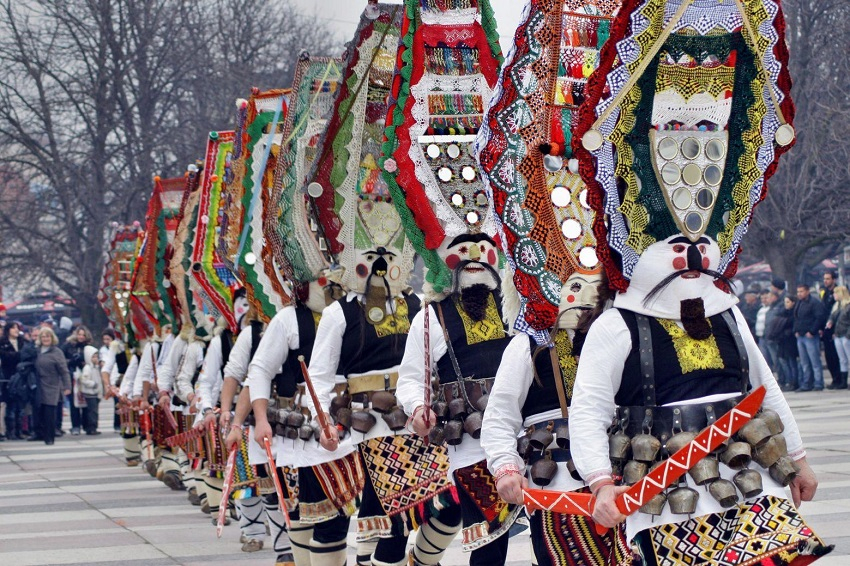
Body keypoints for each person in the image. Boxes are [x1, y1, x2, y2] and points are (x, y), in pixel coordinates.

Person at [34, 327, 71, 445]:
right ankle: (40, 434)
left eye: (48, 336)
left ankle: (50, 438)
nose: (45, 339)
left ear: (52, 338)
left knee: (50, 413)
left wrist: (67, 386)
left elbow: (64, 371)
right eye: (43, 336)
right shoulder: (36, 351)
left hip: (52, 385)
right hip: (39, 385)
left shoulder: (57, 352)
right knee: (40, 412)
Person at [794, 284, 826, 391]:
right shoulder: (799, 303)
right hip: (801, 335)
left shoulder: (814, 303)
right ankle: (807, 383)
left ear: (807, 291)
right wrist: (796, 330)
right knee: (804, 362)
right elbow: (797, 318)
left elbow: (819, 318)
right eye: (798, 292)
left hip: (810, 336)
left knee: (815, 361)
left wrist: (812, 331)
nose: (799, 294)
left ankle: (818, 383)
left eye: (801, 291)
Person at [62, 325, 92, 434]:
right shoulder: (68, 345)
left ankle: (86, 425)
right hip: (72, 376)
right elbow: (61, 359)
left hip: (85, 376)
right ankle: (75, 426)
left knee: (85, 402)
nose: (81, 337)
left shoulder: (88, 347)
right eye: (79, 334)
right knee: (73, 403)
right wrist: (71, 361)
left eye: (83, 335)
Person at [768, 295, 800, 391]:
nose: (786, 304)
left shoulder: (793, 313)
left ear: (793, 303)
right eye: (785, 302)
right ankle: (789, 381)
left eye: (788, 302)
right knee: (784, 362)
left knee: (792, 362)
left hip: (790, 341)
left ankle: (794, 382)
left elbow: (792, 325)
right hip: (783, 341)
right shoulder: (783, 312)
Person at [0, 322, 25, 440]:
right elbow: (5, 357)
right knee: (10, 406)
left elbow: (25, 355)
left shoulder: (22, 342)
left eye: (17, 328)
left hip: (21, 377)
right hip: (8, 377)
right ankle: (11, 431)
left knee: (20, 406)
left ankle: (19, 430)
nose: (16, 330)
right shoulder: (3, 343)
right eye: (13, 328)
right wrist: (17, 355)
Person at [820, 271, 842, 388]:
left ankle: (839, 379)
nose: (826, 281)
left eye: (828, 279)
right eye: (825, 279)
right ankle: (834, 378)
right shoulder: (824, 292)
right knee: (829, 356)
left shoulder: (838, 291)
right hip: (826, 328)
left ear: (833, 279)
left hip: (835, 328)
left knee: (836, 356)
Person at [825, 285, 850, 389]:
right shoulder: (837, 306)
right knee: (842, 359)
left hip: (846, 335)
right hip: (838, 334)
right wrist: (830, 321)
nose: (834, 295)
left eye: (836, 293)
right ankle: (843, 381)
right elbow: (833, 317)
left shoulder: (848, 306)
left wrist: (848, 335)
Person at [77, 345, 103, 435]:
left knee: (94, 411)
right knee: (92, 411)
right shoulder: (88, 368)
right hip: (90, 393)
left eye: (96, 356)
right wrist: (93, 384)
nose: (95, 359)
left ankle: (93, 426)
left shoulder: (95, 367)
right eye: (93, 357)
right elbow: (84, 379)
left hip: (95, 392)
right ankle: (91, 427)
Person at [756, 290, 781, 372]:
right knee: (764, 358)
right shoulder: (761, 309)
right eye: (762, 298)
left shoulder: (772, 309)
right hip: (761, 337)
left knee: (774, 358)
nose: (764, 300)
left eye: (766, 298)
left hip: (769, 336)